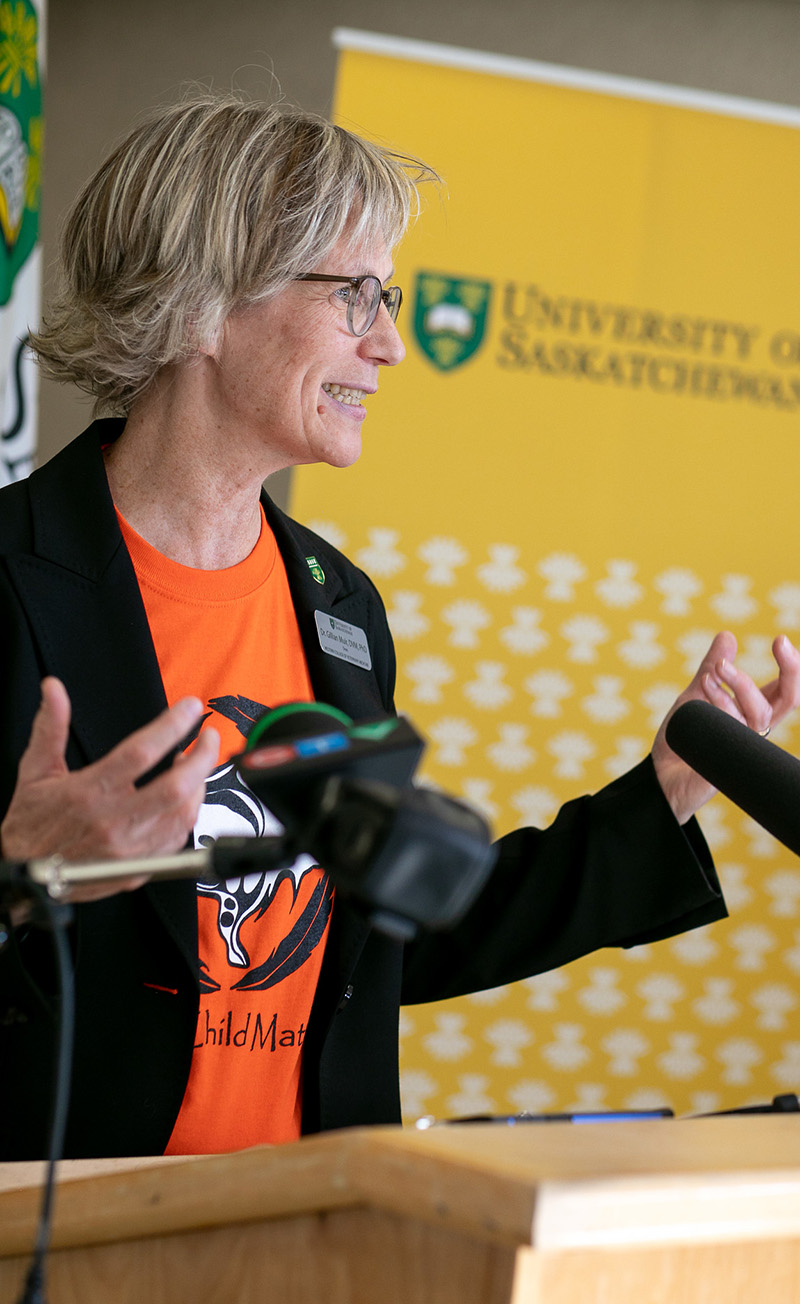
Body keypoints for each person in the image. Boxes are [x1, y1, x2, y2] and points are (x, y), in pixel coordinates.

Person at [0, 94, 798, 1160]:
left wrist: (660, 795)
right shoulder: (8, 574)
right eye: (357, 296)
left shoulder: (338, 606)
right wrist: (14, 870)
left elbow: (386, 937)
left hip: (306, 1227)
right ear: (201, 300)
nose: (391, 344)